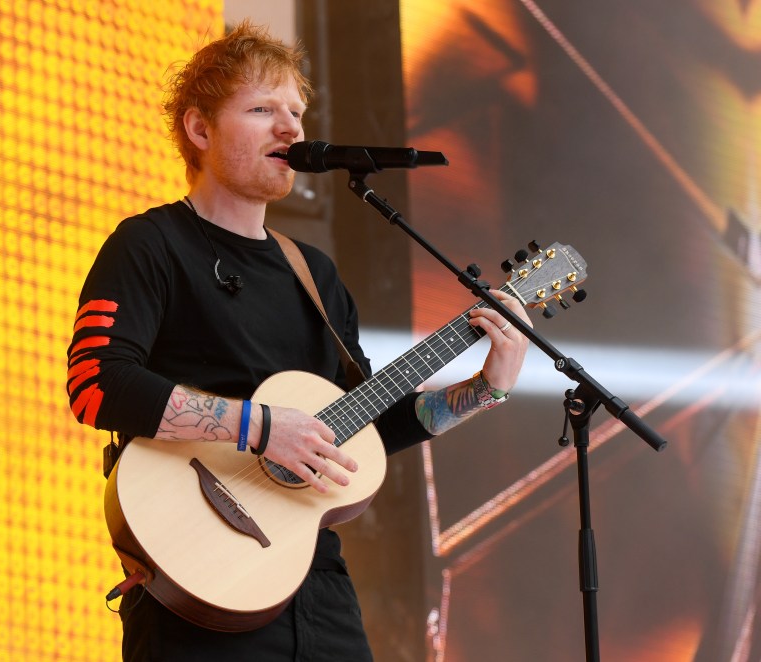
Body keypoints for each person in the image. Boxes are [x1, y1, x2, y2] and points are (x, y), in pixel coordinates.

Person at [66, 20, 531, 662]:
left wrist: (484, 390)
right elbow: (96, 386)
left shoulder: (314, 275)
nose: (291, 129)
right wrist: (259, 427)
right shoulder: (151, 246)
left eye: (297, 111)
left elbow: (362, 429)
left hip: (315, 587)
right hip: (197, 584)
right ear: (200, 130)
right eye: (263, 109)